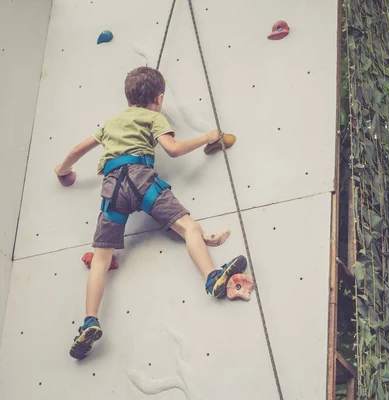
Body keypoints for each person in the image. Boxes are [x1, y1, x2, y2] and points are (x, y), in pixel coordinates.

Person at [54, 66, 246, 360]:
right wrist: (208, 136)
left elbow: (79, 149)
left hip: (112, 188)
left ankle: (89, 321)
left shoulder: (110, 122)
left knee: (101, 258)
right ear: (158, 98)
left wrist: (63, 171)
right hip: (142, 181)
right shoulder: (154, 116)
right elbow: (174, 149)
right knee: (189, 228)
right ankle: (212, 276)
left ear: (127, 96)